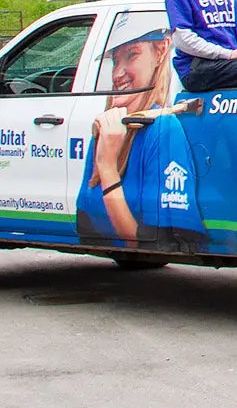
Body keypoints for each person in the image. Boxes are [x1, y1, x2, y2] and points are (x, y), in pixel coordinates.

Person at [75, 26, 205, 251]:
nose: (117, 74)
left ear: (161, 51)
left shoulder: (163, 129)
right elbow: (85, 229)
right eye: (115, 61)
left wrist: (107, 168)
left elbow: (158, 242)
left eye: (131, 55)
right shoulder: (108, 128)